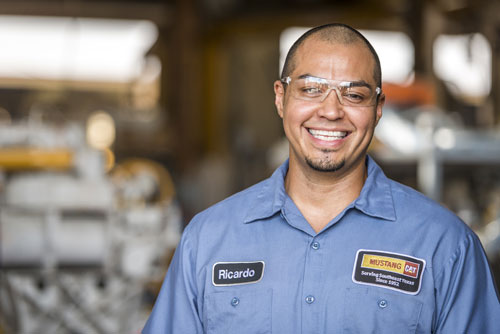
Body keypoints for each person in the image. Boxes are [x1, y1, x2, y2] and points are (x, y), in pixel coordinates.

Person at [143, 23, 500, 333]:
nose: (330, 111)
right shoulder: (207, 241)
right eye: (311, 89)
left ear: (378, 110)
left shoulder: (445, 246)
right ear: (281, 98)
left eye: (354, 94)